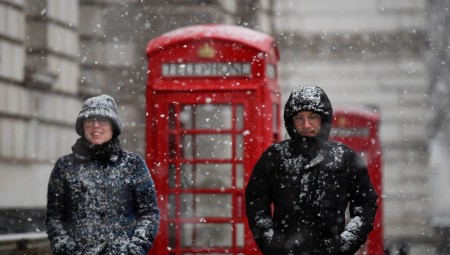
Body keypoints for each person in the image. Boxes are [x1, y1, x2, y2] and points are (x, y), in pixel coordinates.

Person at [245, 85, 378, 255]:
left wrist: (346, 242)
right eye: (299, 117)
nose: (306, 124)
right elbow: (255, 200)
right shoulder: (275, 156)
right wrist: (270, 241)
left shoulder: (345, 158)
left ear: (324, 119)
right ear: (290, 120)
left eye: (313, 117)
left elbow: (365, 204)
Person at [45, 95, 160, 255]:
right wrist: (66, 249)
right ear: (82, 126)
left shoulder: (133, 164)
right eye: (89, 121)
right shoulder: (64, 166)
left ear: (113, 127)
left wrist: (134, 250)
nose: (95, 126)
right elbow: (54, 218)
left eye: (102, 121)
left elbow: (149, 213)